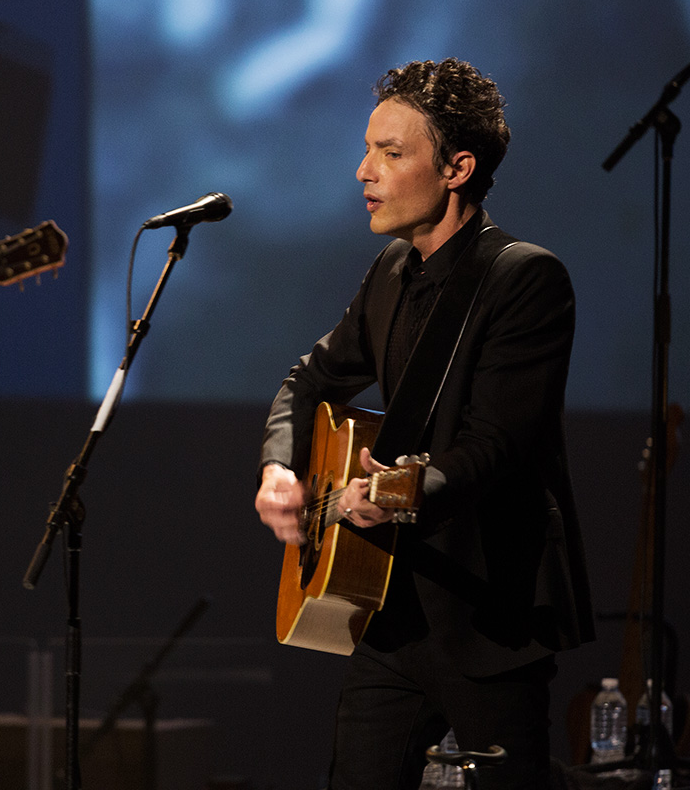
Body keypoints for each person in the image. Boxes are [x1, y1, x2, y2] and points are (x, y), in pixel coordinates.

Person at [254, 58, 595, 789]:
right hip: (387, 610)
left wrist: (402, 492)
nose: (362, 171)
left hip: (487, 615)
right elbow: (309, 378)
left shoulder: (525, 279)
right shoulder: (390, 272)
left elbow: (497, 446)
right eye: (368, 148)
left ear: (457, 168)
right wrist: (280, 467)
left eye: (391, 152)